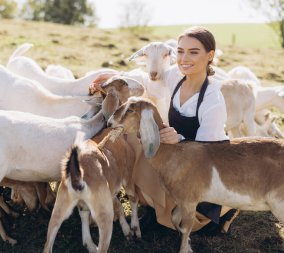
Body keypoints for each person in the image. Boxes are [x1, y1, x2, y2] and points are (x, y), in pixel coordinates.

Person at [91, 26, 239, 234]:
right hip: (176, 152)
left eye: (193, 52)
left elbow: (208, 153)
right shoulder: (175, 77)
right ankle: (157, 207)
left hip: (205, 165)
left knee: (189, 215)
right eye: (180, 51)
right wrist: (111, 79)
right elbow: (148, 84)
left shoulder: (212, 100)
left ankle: (219, 212)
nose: (184, 58)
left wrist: (179, 139)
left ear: (210, 55)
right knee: (138, 146)